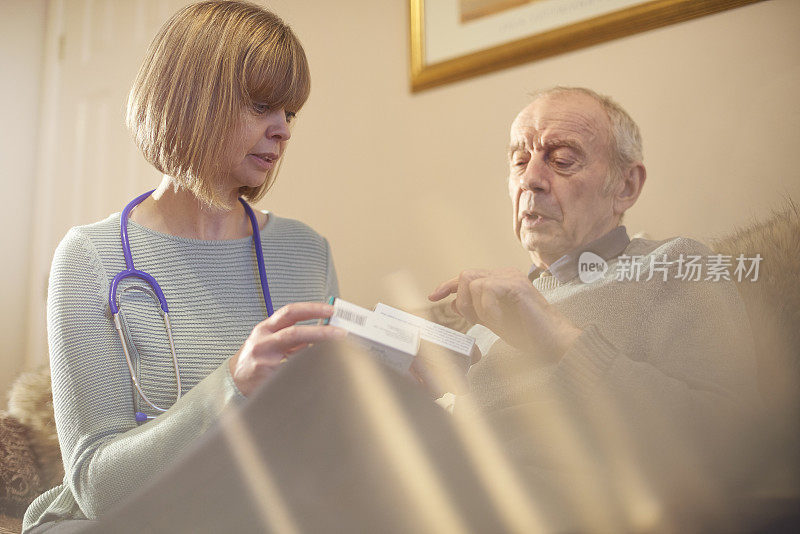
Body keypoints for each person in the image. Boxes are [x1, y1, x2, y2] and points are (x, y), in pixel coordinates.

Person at [23, 2, 346, 532]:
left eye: (289, 113)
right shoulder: (88, 258)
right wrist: (233, 385)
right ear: (191, 99)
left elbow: (320, 439)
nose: (283, 130)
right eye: (263, 105)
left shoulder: (308, 252)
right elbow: (98, 488)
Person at [428, 87, 765, 530]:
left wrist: (559, 341)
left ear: (625, 186)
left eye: (561, 159)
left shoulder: (677, 267)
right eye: (518, 159)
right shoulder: (486, 313)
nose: (531, 178)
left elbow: (733, 445)